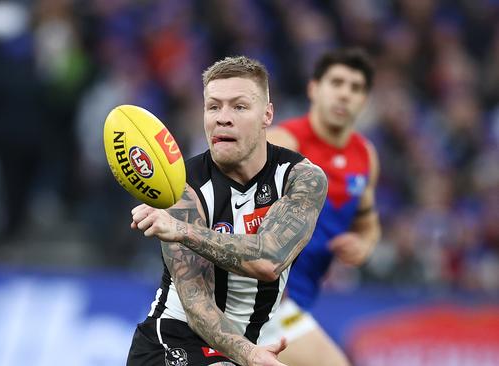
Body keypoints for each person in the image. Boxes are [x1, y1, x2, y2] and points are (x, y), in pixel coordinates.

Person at [127, 56, 328, 366]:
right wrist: (250, 356)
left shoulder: (301, 178)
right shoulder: (182, 188)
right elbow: (197, 305)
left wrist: (184, 231)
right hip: (172, 342)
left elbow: (268, 259)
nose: (223, 118)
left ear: (267, 115)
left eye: (239, 107)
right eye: (213, 107)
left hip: (241, 351)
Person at [263, 48, 381, 366]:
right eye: (337, 83)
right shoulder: (284, 143)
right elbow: (234, 210)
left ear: (365, 100)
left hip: (299, 302)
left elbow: (367, 221)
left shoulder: (364, 156)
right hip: (263, 300)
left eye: (356, 88)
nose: (345, 94)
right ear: (314, 89)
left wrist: (363, 244)